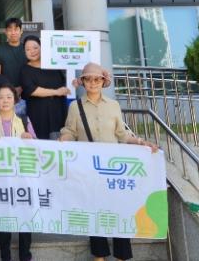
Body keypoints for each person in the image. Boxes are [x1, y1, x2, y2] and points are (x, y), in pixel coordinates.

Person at [60, 62, 158, 261]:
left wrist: (141, 142)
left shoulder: (113, 105)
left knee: (118, 211)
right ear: (83, 82)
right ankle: (99, 256)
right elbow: (70, 130)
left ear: (103, 82)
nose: (93, 83)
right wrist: (64, 138)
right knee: (94, 211)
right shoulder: (75, 106)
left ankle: (122, 256)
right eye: (88, 79)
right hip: (89, 169)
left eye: (97, 79)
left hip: (113, 170)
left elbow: (122, 134)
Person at [0, 83, 35, 261]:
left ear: (15, 100)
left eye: (9, 97)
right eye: (1, 97)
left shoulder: (24, 120)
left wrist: (29, 138)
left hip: (22, 178)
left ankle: (25, 255)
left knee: (25, 216)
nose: (5, 101)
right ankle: (5, 256)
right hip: (0, 178)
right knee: (3, 217)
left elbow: (37, 147)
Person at [20, 35, 70, 140]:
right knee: (41, 145)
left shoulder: (54, 65)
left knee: (60, 143)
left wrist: (73, 83)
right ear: (24, 52)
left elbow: (64, 85)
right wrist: (56, 92)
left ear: (41, 47)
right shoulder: (25, 70)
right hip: (38, 115)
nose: (32, 51)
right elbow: (32, 90)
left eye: (35, 47)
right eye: (28, 49)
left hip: (58, 113)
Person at [0, 17, 26, 96]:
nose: (13, 33)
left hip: (27, 90)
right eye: (10, 30)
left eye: (16, 29)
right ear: (6, 32)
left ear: (21, 31)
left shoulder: (27, 49)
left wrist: (22, 87)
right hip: (6, 92)